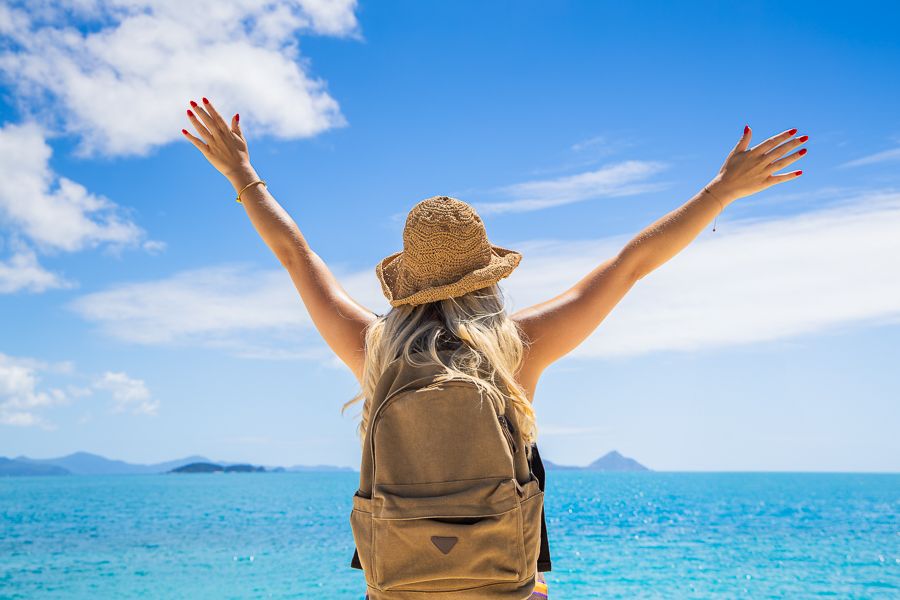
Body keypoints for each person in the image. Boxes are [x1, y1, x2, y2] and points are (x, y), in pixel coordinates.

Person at [182, 97, 807, 598]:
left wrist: (242, 174)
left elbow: (297, 256)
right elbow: (629, 266)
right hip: (506, 585)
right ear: (487, 277)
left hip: (397, 584)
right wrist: (720, 191)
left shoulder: (375, 350)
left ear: (408, 279)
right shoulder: (516, 350)